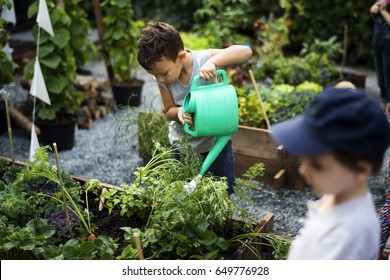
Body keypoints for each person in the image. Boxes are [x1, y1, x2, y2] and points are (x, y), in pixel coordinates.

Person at [270, 87, 390, 259]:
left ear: (361, 170)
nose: (303, 170)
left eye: (318, 165)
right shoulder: (340, 195)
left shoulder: (342, 240)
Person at [137, 21, 252, 195]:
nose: (160, 79)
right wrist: (179, 112)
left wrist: (213, 61)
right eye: (155, 75)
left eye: (163, 73)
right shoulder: (163, 80)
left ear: (181, 57)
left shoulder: (203, 60)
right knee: (186, 197)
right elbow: (168, 110)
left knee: (220, 195)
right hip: (183, 148)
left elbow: (246, 51)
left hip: (216, 145)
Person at [370, 0, 390, 116]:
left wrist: (383, 11)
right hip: (378, 41)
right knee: (381, 76)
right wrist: (373, 10)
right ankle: (383, 102)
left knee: (388, 76)